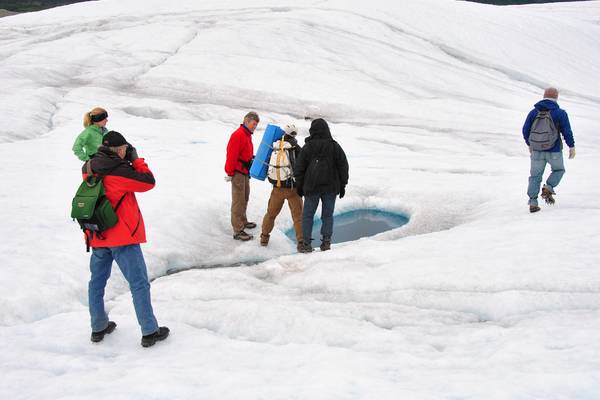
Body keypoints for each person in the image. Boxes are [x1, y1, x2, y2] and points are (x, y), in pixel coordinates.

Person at [82, 130, 169, 348]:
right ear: (119, 150)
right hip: (122, 237)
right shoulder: (120, 170)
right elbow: (148, 182)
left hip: (97, 233)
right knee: (139, 283)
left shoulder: (89, 167)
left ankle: (98, 326)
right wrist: (136, 160)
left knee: (96, 283)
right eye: (123, 149)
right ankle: (149, 331)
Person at [294, 118, 349, 252]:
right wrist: (343, 185)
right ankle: (326, 242)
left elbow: (299, 169)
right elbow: (343, 166)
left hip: (311, 188)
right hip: (331, 188)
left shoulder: (308, 147)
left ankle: (306, 244)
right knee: (327, 215)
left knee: (307, 215)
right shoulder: (334, 146)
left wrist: (299, 186)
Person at [522, 87, 576, 213]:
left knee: (535, 176)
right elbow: (566, 131)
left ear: (544, 96)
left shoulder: (533, 112)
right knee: (559, 170)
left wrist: (530, 144)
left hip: (536, 151)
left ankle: (533, 202)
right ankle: (548, 187)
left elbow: (525, 130)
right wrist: (571, 146)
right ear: (556, 97)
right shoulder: (560, 113)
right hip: (554, 150)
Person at [260, 124, 305, 251]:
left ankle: (264, 238)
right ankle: (301, 242)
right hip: (292, 189)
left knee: (270, 214)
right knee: (298, 217)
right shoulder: (296, 148)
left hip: (277, 187)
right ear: (295, 135)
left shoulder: (274, 146)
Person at [225, 112, 259, 241]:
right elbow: (231, 155)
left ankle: (243, 221)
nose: (254, 127)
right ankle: (238, 230)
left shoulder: (246, 135)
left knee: (245, 197)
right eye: (253, 124)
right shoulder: (238, 135)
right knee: (238, 201)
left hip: (245, 172)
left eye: (256, 125)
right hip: (238, 172)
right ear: (246, 121)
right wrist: (229, 172)